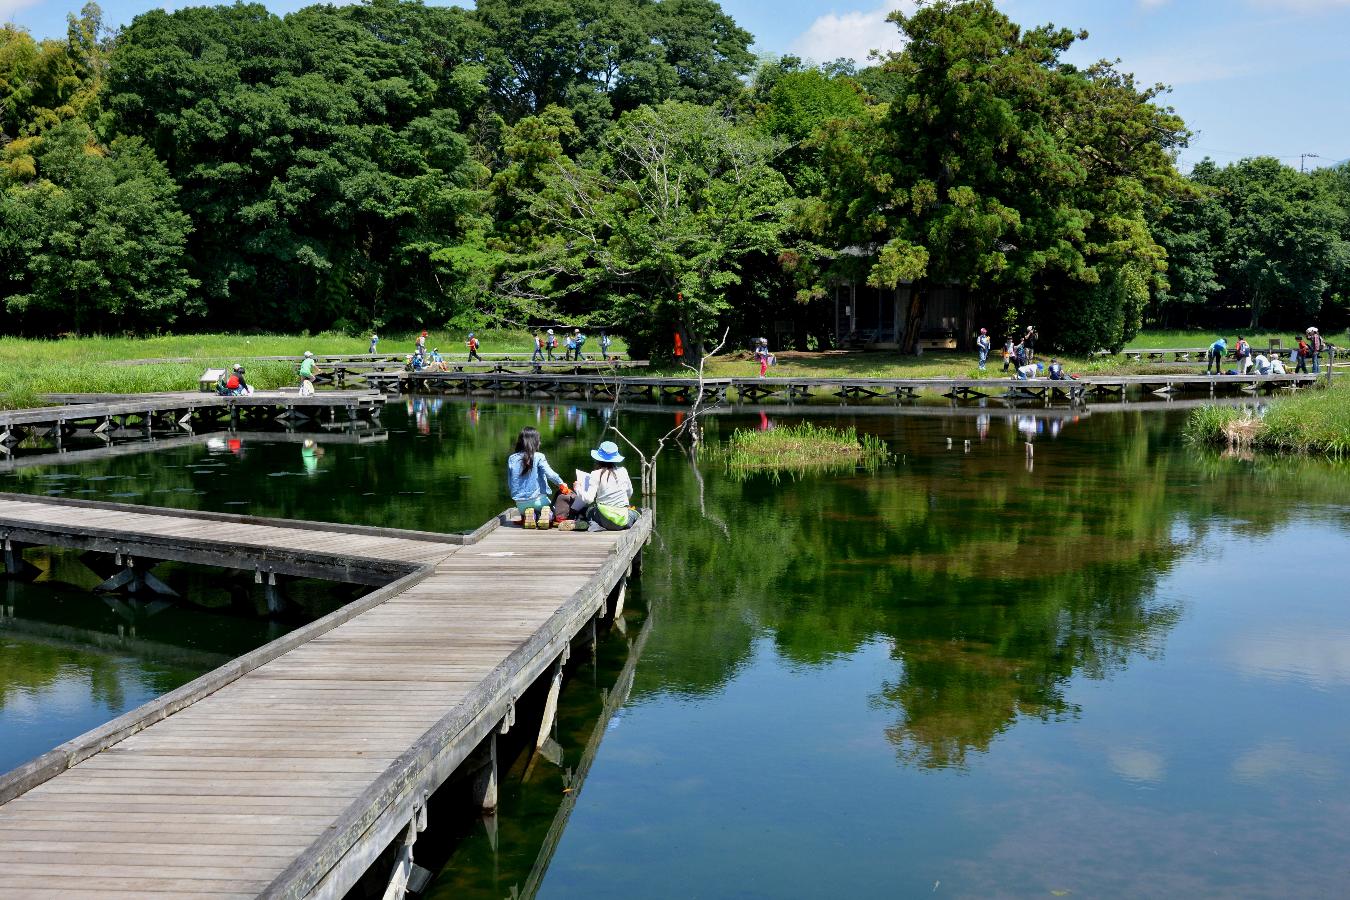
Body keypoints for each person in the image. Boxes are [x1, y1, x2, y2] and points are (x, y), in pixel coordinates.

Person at [555, 440, 636, 531]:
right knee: (635, 513)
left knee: (589, 511)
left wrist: (578, 488)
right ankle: (590, 524)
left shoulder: (596, 474)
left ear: (598, 458)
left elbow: (589, 499)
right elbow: (630, 493)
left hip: (604, 519)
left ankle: (585, 524)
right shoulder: (623, 471)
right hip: (622, 521)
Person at [507, 426, 570, 529]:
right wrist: (562, 484)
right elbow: (551, 474)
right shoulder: (539, 456)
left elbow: (510, 483)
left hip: (520, 504)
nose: (540, 443)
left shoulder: (512, 458)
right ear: (534, 442)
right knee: (553, 513)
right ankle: (547, 514)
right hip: (539, 501)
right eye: (539, 440)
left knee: (528, 513)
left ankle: (528, 516)